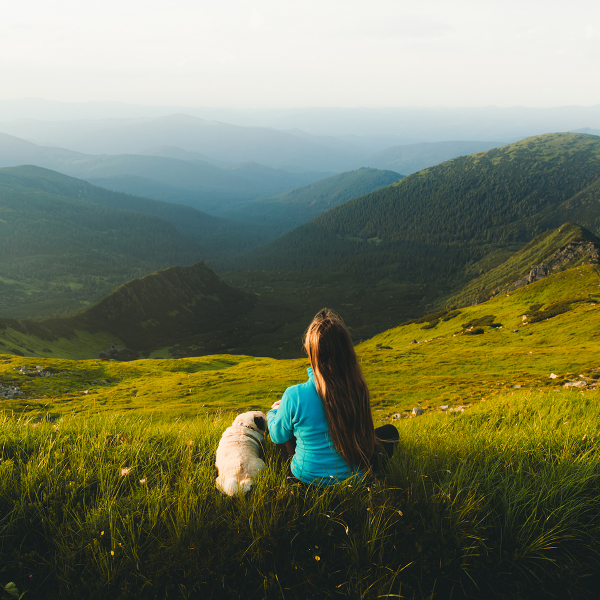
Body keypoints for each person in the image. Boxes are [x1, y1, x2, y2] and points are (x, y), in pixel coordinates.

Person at [267, 308, 399, 486]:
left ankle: (292, 475)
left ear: (313, 353)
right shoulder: (358, 389)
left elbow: (277, 436)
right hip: (356, 479)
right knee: (390, 432)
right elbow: (364, 434)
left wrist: (274, 412)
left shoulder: (294, 395)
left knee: (285, 431)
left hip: (307, 480)